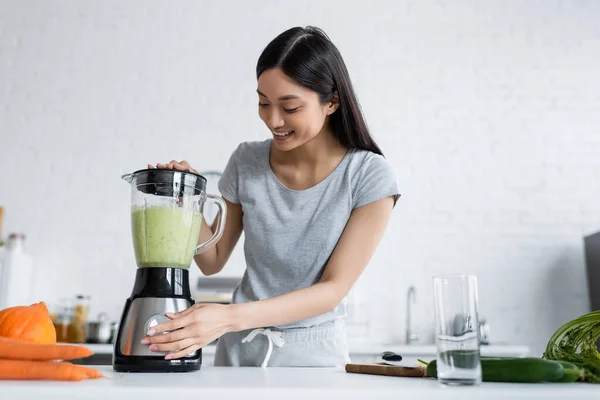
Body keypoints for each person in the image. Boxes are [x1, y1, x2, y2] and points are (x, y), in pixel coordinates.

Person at [142, 26, 401, 368]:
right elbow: (212, 258)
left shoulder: (368, 175)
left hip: (314, 361)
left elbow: (333, 289)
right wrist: (186, 199)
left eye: (290, 107)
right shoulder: (246, 161)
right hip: (238, 354)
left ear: (332, 101)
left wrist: (229, 317)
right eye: (264, 103)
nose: (273, 120)